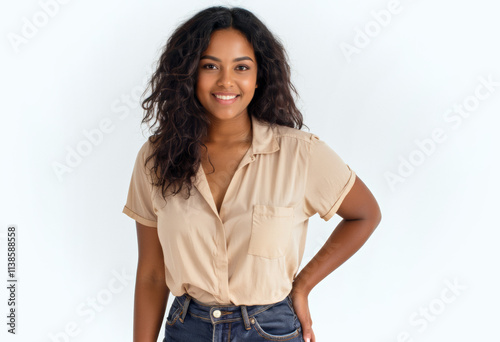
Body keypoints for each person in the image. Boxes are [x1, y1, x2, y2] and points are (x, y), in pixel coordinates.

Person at [122, 5, 381, 342]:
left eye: (241, 67)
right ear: (188, 74)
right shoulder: (156, 158)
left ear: (259, 76)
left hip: (269, 329)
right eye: (210, 66)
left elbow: (365, 214)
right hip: (186, 329)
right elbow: (153, 274)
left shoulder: (300, 154)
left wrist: (302, 286)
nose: (226, 81)